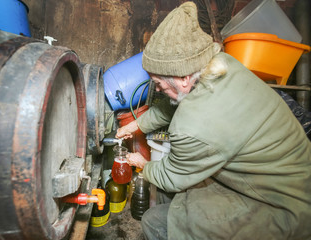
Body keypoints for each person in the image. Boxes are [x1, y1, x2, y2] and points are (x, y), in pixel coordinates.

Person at [115, 2, 311, 240]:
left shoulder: (193, 123)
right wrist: (135, 125)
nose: (157, 88)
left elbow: (171, 176)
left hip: (283, 203)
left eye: (158, 83)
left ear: (184, 78)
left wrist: (142, 164)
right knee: (185, 199)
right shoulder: (223, 65)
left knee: (155, 221)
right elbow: (172, 102)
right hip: (278, 176)